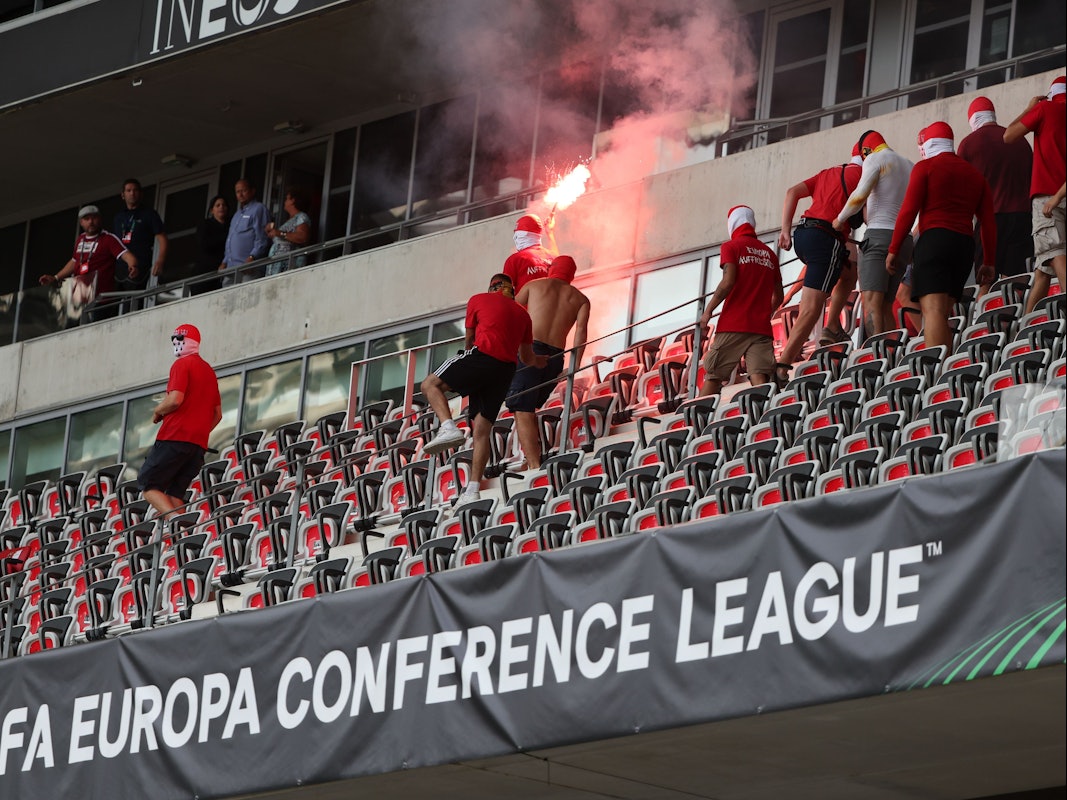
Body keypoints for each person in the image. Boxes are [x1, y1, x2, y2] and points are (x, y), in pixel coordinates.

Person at [420, 274, 545, 508]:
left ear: (492, 287)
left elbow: (469, 339)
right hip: (505, 371)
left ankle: (448, 427)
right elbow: (527, 358)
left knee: (429, 385)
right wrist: (541, 361)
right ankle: (472, 490)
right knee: (482, 430)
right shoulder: (523, 315)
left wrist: (468, 366)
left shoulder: (478, 299)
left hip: (483, 356)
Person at [888, 122, 996, 350]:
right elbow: (988, 223)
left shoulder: (925, 167)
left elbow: (908, 211)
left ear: (928, 144)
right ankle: (946, 364)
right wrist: (988, 261)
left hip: (934, 240)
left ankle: (937, 366)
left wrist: (894, 249)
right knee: (942, 313)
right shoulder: (976, 176)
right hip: (964, 246)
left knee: (933, 311)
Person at [775, 148, 862, 387]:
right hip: (825, 238)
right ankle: (781, 367)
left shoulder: (828, 172)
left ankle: (832, 325)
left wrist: (784, 230)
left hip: (802, 235)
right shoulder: (864, 175)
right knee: (811, 309)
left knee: (849, 271)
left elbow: (792, 192)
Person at [505, 255, 591, 469]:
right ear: (572, 275)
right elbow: (581, 333)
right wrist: (575, 365)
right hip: (555, 359)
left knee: (522, 408)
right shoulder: (581, 299)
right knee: (529, 406)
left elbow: (508, 312)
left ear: (551, 269)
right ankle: (531, 458)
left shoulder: (535, 285)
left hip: (531, 351)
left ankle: (534, 465)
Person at [833, 131, 914, 335]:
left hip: (879, 235)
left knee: (871, 302)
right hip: (904, 240)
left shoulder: (875, 158)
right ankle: (891, 351)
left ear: (866, 150)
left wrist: (840, 219)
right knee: (886, 304)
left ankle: (876, 351)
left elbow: (859, 195)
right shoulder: (909, 164)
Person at [138, 324, 222, 519]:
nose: (176, 342)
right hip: (197, 447)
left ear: (190, 342)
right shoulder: (209, 372)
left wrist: (158, 410)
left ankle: (175, 523)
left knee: (148, 485)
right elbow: (217, 415)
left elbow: (175, 399)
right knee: (175, 494)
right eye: (173, 339)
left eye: (180, 339)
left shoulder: (182, 364)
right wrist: (199, 432)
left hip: (174, 437)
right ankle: (184, 533)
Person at [698, 205, 783, 396]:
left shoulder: (730, 247)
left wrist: (708, 311)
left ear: (732, 223)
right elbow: (779, 296)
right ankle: (764, 414)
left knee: (714, 376)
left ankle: (695, 415)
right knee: (760, 378)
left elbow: (727, 282)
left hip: (733, 324)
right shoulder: (769, 254)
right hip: (760, 328)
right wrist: (764, 314)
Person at [956, 97, 1034, 293]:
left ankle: (984, 312)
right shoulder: (1020, 140)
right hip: (1023, 218)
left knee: (985, 282)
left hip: (989, 222)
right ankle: (1017, 312)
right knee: (1017, 281)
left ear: (972, 118)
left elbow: (958, 188)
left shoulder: (969, 144)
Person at [1004, 75, 1066, 315]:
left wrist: (1028, 109)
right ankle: (1025, 325)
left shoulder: (1044, 109)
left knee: (1054, 252)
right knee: (1042, 271)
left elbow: (1008, 136)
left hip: (1047, 198)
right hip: (1061, 193)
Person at [39, 205, 138, 320]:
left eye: (94, 218)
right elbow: (74, 261)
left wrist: (132, 265)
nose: (91, 222)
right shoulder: (80, 239)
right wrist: (56, 277)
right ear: (81, 222)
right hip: (79, 300)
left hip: (101, 300)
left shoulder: (108, 238)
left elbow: (127, 255)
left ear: (99, 219)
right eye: (87, 219)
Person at [113, 178, 167, 291]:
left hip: (140, 263)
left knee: (134, 298)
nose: (132, 193)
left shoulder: (149, 214)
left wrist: (160, 261)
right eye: (128, 190)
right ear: (123, 195)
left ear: (141, 194)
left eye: (135, 190)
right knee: (113, 298)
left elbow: (162, 238)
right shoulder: (119, 217)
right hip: (120, 266)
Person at [221, 178, 270, 285]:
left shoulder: (258, 208)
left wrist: (252, 257)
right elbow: (230, 240)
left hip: (249, 268)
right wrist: (224, 261)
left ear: (252, 191)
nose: (240, 194)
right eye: (237, 192)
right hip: (231, 268)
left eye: (244, 190)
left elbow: (262, 238)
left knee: (247, 294)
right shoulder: (236, 215)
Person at [502, 213, 557, 292]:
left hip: (526, 300)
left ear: (521, 234)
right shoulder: (553, 257)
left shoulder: (515, 260)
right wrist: (550, 233)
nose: (514, 238)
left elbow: (504, 293)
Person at [265, 187, 313, 276]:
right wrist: (271, 232)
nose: (285, 201)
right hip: (276, 267)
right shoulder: (290, 220)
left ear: (293, 200)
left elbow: (302, 237)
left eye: (287, 199)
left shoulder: (301, 217)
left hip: (288, 266)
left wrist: (279, 233)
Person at [191, 195, 228, 296]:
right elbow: (204, 244)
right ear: (212, 210)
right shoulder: (205, 224)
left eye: (224, 205)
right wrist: (225, 237)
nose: (221, 207)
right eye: (218, 205)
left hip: (221, 273)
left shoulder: (231, 225)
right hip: (203, 273)